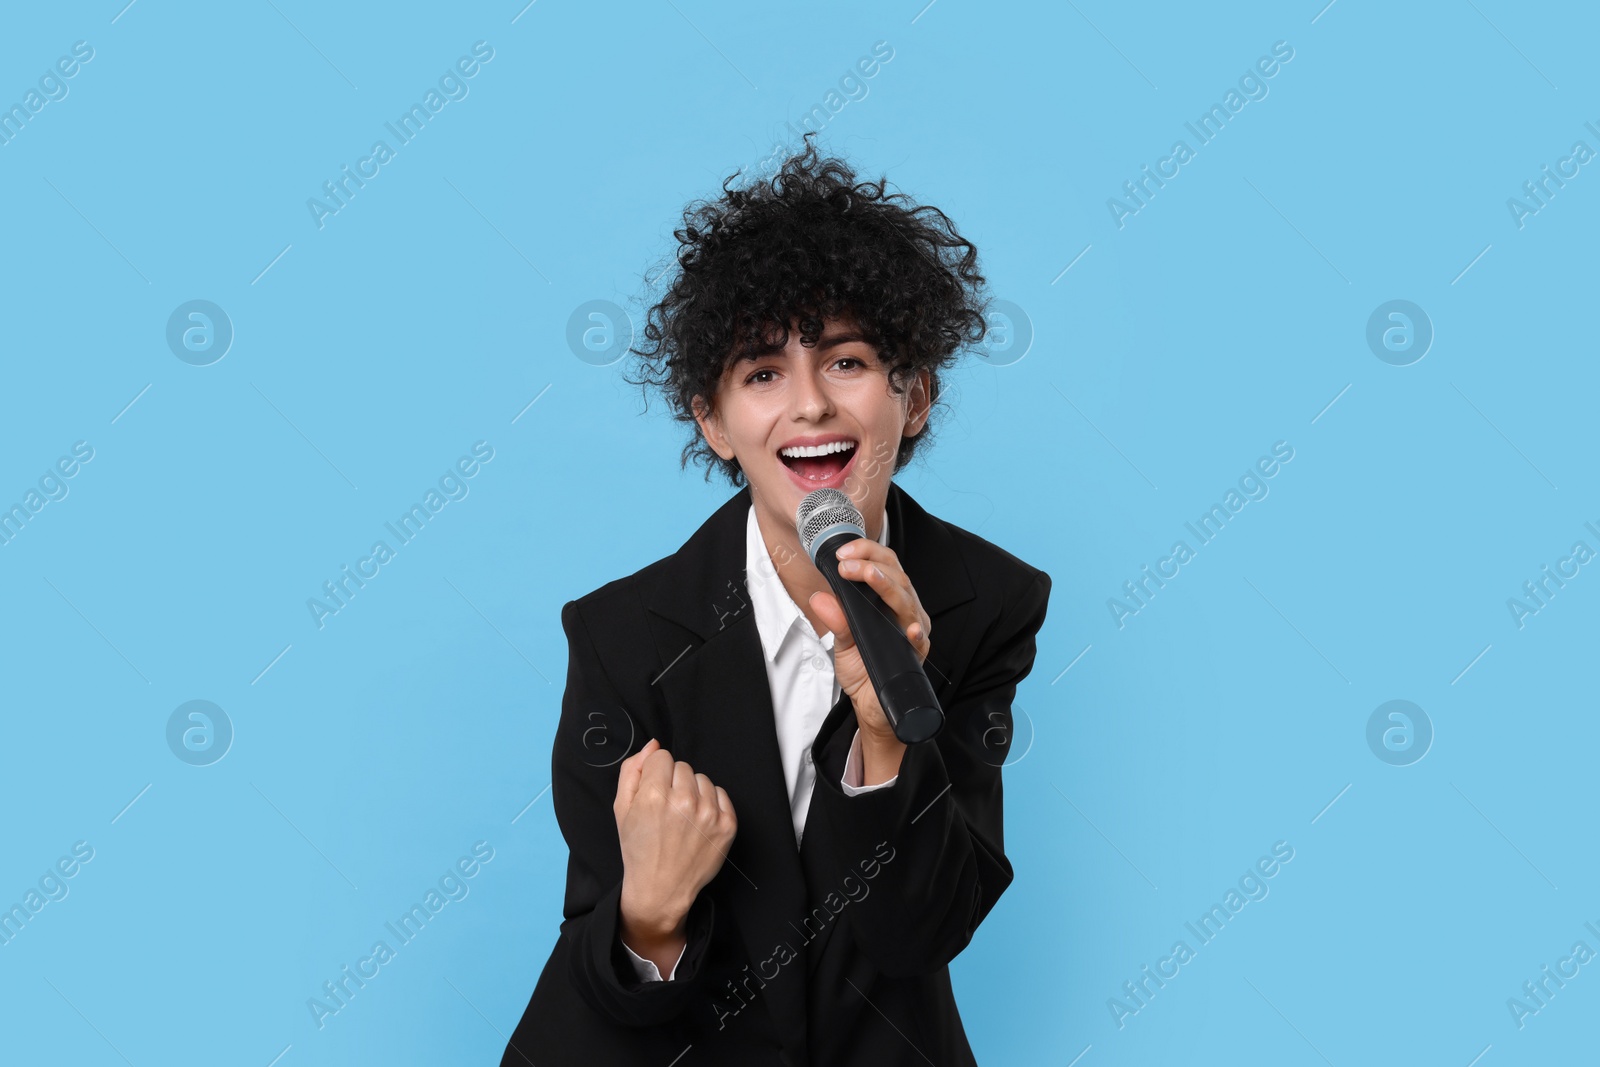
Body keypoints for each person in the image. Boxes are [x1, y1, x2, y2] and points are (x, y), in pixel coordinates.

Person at [501, 135, 1051, 1066]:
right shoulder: (622, 636)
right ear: (713, 421)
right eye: (761, 373)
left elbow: (920, 933)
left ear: (913, 395)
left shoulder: (986, 601)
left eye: (847, 362)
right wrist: (649, 911)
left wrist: (887, 738)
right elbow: (595, 972)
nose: (809, 406)